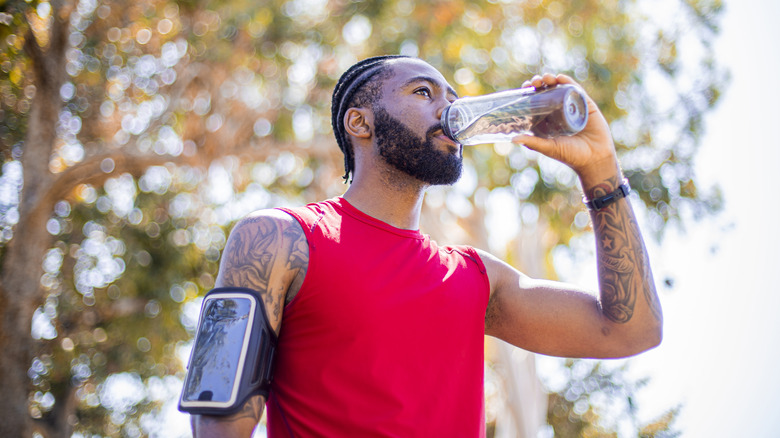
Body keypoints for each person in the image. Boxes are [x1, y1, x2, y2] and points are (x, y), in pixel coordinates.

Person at [189, 55, 663, 437]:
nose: (450, 111)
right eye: (423, 92)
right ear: (360, 122)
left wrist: (599, 170)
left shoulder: (477, 278)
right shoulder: (278, 236)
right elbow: (219, 409)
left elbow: (630, 331)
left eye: (454, 99)